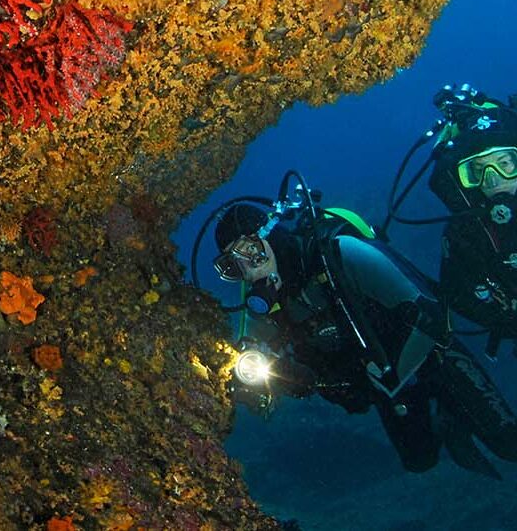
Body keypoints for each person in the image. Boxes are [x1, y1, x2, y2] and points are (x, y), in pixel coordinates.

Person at [211, 179, 517, 476]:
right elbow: (266, 380)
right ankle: (448, 424)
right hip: (382, 390)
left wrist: (388, 377)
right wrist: (281, 381)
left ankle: (454, 414)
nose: (250, 270)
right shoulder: (267, 313)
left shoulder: (339, 252)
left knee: (508, 443)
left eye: (252, 252)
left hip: (434, 359)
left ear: (272, 236)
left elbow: (430, 314)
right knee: (420, 460)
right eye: (233, 266)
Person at [425, 87, 517, 355]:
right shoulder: (465, 234)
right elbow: (456, 296)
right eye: (477, 170)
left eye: (505, 163)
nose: (493, 178)